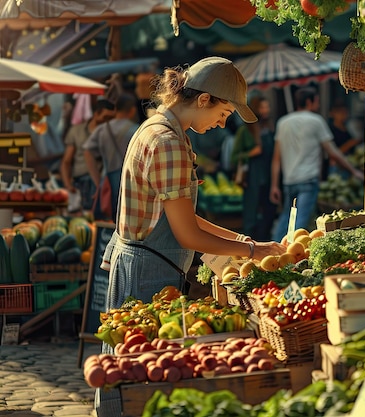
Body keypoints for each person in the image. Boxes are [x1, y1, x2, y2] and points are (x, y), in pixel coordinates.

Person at [94, 57, 285, 417]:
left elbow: (184, 216)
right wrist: (252, 249)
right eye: (224, 112)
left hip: (145, 262)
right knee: (138, 384)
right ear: (203, 100)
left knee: (127, 375)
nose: (222, 123)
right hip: (147, 271)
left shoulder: (158, 129)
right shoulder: (168, 143)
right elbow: (186, 233)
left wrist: (244, 240)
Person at [270, 86, 365, 242]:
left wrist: (274, 185)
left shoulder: (283, 122)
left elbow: (276, 158)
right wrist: (353, 171)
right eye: (317, 101)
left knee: (287, 218)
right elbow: (333, 151)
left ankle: (272, 249)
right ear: (309, 102)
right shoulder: (316, 121)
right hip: (308, 180)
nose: (319, 105)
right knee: (300, 222)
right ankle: (289, 253)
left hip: (289, 181)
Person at [83, 93, 139, 221]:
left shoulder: (102, 129)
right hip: (131, 184)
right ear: (132, 110)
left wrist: (97, 181)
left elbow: (87, 152)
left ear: (115, 109)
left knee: (107, 220)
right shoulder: (136, 130)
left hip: (107, 181)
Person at [230, 96, 277, 241]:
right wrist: (251, 153)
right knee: (251, 217)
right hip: (252, 179)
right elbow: (233, 158)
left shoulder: (269, 129)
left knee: (269, 214)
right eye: (263, 107)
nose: (266, 110)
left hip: (268, 178)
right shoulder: (244, 131)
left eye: (267, 107)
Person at [59, 99, 115, 213]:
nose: (108, 121)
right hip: (80, 183)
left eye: (111, 118)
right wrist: (68, 185)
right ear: (96, 114)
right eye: (105, 117)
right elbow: (66, 162)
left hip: (101, 182)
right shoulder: (76, 131)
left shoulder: (111, 134)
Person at [324, 100, 362, 179]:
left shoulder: (347, 128)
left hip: (348, 164)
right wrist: (351, 143)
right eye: (340, 112)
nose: (343, 115)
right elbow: (333, 151)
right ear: (333, 113)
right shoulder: (331, 130)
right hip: (337, 167)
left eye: (345, 112)